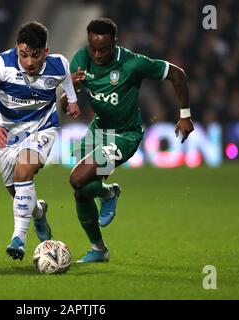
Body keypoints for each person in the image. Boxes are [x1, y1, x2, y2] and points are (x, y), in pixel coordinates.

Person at [60, 18, 194, 263]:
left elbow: (177, 74)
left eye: (103, 49)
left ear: (115, 44)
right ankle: (99, 248)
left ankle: (109, 194)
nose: (97, 54)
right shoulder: (80, 59)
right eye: (93, 48)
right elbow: (65, 105)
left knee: (77, 177)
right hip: (97, 130)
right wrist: (70, 91)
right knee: (81, 191)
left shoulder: (133, 63)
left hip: (124, 135)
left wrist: (184, 116)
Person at [0, 21, 81, 261]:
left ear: (46, 52)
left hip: (43, 129)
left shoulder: (58, 64)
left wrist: (72, 100)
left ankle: (18, 239)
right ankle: (39, 212)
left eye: (35, 55)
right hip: (7, 136)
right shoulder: (1, 64)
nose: (29, 62)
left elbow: (66, 80)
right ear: (16, 49)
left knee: (24, 171)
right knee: (18, 192)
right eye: (23, 55)